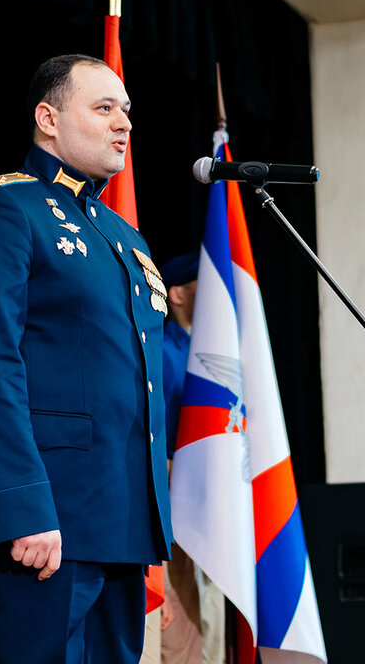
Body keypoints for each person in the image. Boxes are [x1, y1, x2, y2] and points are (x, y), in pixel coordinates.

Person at [0, 54, 172, 664]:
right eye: (103, 108)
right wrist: (21, 507)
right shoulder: (3, 208)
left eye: (125, 111)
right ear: (48, 118)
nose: (123, 123)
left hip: (119, 524)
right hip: (43, 524)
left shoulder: (122, 236)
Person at [157, 252, 226, 664]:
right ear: (177, 293)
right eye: (204, 283)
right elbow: (157, 448)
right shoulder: (166, 356)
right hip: (181, 520)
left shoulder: (213, 357)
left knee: (215, 637)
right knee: (182, 641)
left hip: (214, 517)